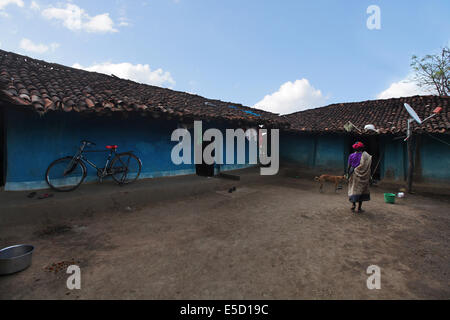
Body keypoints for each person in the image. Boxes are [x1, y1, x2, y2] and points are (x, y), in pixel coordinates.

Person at [347, 142, 372, 213]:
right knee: (362, 190)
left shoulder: (351, 155)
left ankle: (353, 205)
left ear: (354, 148)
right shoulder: (366, 156)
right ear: (362, 148)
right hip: (363, 176)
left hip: (353, 174)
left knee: (354, 189)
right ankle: (359, 208)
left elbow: (349, 166)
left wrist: (348, 173)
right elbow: (368, 167)